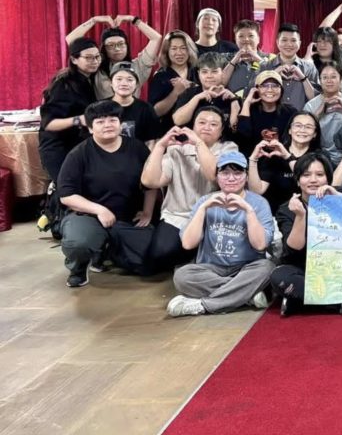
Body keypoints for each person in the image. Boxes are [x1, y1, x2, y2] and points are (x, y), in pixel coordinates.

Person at [57, 101, 158, 287]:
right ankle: (79, 267)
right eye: (100, 122)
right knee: (79, 242)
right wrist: (99, 210)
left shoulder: (137, 148)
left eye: (113, 120)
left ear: (121, 124)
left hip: (127, 218)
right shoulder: (78, 154)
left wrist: (147, 212)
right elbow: (66, 195)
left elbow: (151, 183)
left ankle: (106, 253)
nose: (108, 125)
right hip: (89, 216)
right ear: (90, 128)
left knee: (151, 260)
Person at [167, 150, 276, 317]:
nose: (231, 178)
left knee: (267, 268)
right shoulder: (205, 201)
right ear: (217, 177)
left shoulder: (259, 203)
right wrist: (203, 209)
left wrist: (248, 211)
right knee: (182, 276)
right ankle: (245, 296)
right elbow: (188, 243)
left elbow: (260, 245)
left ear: (246, 177)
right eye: (225, 173)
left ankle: (202, 305)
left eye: (237, 173)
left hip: (246, 268)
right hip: (211, 268)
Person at [141, 108, 238, 269]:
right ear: (193, 127)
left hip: (214, 219)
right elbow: (150, 181)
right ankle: (192, 256)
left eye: (213, 124)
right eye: (202, 122)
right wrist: (160, 146)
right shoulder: (177, 149)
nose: (207, 127)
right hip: (178, 216)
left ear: (221, 131)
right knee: (159, 255)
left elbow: (214, 176)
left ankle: (195, 256)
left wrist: (199, 143)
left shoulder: (229, 149)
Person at [271, 152, 339, 316]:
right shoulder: (288, 208)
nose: (313, 180)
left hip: (335, 268)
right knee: (279, 277)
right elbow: (294, 248)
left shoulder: (339, 196)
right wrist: (300, 216)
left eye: (319, 175)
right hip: (303, 268)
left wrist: (338, 199)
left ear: (328, 179)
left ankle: (300, 301)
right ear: (298, 180)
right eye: (306, 175)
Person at [39, 38, 100, 182]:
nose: (95, 61)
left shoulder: (89, 79)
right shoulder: (64, 84)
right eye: (89, 58)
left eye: (97, 57)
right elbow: (48, 123)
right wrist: (80, 119)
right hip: (58, 147)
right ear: (74, 59)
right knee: (68, 188)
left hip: (78, 145)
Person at [65, 15, 161, 99]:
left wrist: (133, 19)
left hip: (133, 112)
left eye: (121, 44)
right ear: (104, 49)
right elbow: (71, 40)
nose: (117, 49)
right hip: (102, 112)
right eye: (111, 45)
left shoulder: (138, 66)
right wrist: (94, 20)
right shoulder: (97, 67)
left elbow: (156, 38)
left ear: (127, 46)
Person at [248, 110, 322, 213]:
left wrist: (287, 156)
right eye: (298, 125)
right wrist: (253, 160)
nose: (302, 130)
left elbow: (307, 178)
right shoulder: (275, 153)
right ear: (290, 130)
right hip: (276, 214)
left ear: (315, 134)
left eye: (308, 127)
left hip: (309, 214)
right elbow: (257, 191)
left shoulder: (320, 157)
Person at [255, 24, 320, 111]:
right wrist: (273, 75)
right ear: (277, 42)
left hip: (301, 118)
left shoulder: (310, 68)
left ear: (299, 43)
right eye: (284, 40)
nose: (289, 44)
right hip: (272, 117)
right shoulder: (264, 67)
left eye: (293, 40)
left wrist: (303, 78)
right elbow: (255, 95)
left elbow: (316, 100)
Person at [303, 61, 342, 167]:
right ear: (320, 81)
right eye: (325, 77)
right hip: (319, 157)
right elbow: (304, 131)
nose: (329, 81)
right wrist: (319, 111)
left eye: (333, 77)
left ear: (341, 79)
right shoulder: (311, 105)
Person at [171, 53, 239, 129]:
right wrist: (197, 98)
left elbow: (235, 128)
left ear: (223, 73)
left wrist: (234, 100)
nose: (209, 76)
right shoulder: (189, 93)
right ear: (198, 73)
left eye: (214, 72)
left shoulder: (232, 96)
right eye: (204, 72)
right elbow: (178, 121)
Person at [236, 70, 298, 153]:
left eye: (275, 85)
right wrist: (247, 103)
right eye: (264, 86)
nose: (270, 89)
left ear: (281, 90)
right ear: (256, 89)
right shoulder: (247, 109)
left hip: (282, 157)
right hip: (253, 158)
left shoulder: (290, 112)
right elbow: (241, 138)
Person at [149, 30, 199, 124]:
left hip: (197, 127)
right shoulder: (160, 76)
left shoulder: (197, 71)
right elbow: (155, 112)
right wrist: (175, 93)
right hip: (170, 129)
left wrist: (191, 85)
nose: (179, 53)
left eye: (183, 48)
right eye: (174, 48)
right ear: (167, 52)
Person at [108, 62, 161, 145]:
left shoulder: (146, 109)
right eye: (119, 79)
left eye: (130, 80)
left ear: (136, 84)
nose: (124, 83)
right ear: (111, 83)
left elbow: (152, 140)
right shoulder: (101, 107)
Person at [222, 19, 267, 95]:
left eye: (251, 36)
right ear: (235, 40)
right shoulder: (225, 58)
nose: (246, 39)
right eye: (241, 36)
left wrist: (259, 59)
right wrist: (234, 60)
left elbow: (275, 78)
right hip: (233, 101)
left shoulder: (270, 58)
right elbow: (220, 82)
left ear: (258, 39)